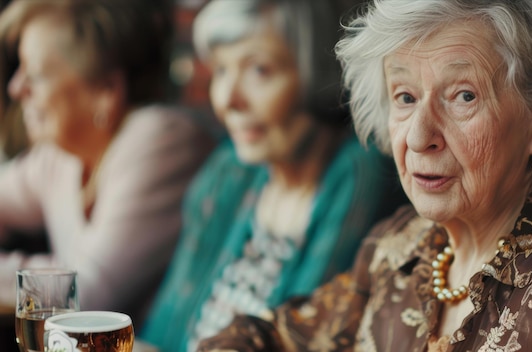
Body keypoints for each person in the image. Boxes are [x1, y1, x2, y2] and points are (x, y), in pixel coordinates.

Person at [195, 0, 532, 351]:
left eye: (463, 96)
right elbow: (269, 336)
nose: (419, 137)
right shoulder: (401, 248)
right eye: (404, 97)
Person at [138, 0, 406, 351]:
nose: (227, 99)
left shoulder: (359, 173)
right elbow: (166, 326)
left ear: (320, 72)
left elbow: (304, 340)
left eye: (258, 70)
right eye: (220, 70)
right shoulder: (229, 169)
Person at [0, 0, 213, 328]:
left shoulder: (161, 138)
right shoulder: (61, 155)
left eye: (36, 75)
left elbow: (85, 295)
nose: (16, 88)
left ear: (106, 90)